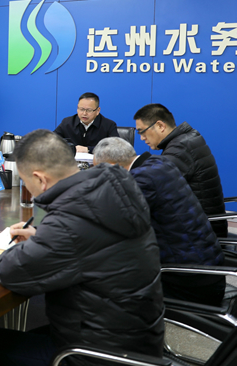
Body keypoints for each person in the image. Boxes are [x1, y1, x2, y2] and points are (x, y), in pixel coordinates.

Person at [0, 129, 163, 366]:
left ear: (40, 179)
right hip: (140, 344)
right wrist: (42, 237)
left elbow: (12, 271)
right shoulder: (114, 189)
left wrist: (16, 245)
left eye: (26, 183)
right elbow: (88, 243)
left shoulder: (69, 221)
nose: (28, 190)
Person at [94, 137, 225, 306]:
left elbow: (110, 223)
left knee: (103, 285)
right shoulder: (160, 163)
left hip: (189, 283)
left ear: (113, 167)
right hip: (208, 269)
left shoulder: (140, 181)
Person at [133, 103, 226, 237]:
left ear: (160, 126)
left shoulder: (180, 148)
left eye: (142, 131)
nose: (142, 138)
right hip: (200, 222)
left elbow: (152, 185)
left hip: (200, 232)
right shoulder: (185, 139)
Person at [54, 92, 118, 154]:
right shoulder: (67, 123)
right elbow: (52, 140)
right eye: (81, 109)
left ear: (98, 110)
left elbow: (116, 147)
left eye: (89, 110)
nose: (84, 113)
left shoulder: (108, 125)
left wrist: (89, 149)